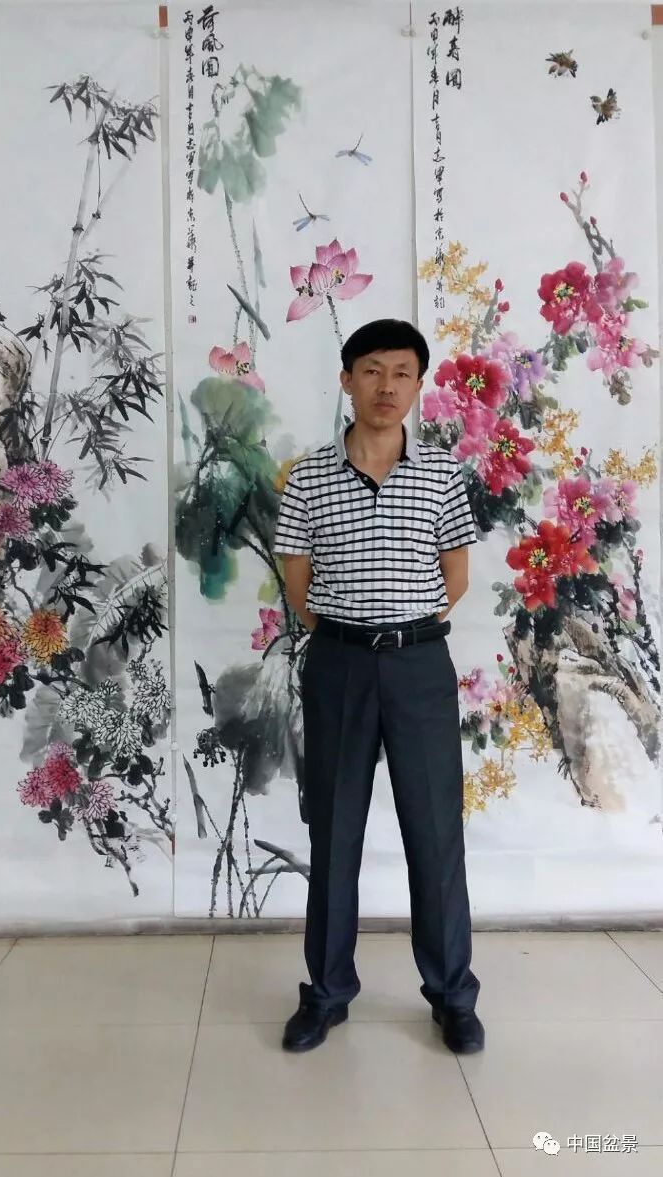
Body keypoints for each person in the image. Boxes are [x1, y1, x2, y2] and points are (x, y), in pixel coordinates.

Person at [273, 318, 483, 1055]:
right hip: (339, 665)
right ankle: (327, 993)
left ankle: (453, 996)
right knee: (334, 833)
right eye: (371, 370)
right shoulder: (308, 478)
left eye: (401, 373)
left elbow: (455, 577)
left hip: (420, 667)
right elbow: (298, 583)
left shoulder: (442, 474)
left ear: (417, 385)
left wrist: (402, 629)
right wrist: (352, 632)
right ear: (347, 380)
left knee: (435, 833)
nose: (386, 386)